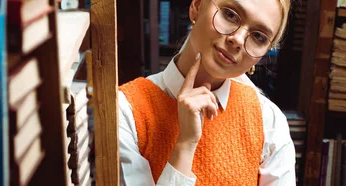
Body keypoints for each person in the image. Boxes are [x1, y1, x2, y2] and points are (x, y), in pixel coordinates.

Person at [118, 0, 295, 185]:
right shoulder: (126, 108)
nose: (238, 40)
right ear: (197, 6)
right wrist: (185, 145)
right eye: (230, 15)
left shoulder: (269, 120)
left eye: (259, 37)